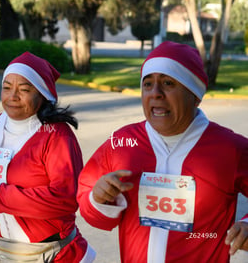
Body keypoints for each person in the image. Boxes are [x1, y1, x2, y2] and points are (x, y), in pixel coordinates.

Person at [77, 41, 248, 262]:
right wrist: (98, 198)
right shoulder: (121, 142)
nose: (155, 93)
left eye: (168, 83)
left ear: (195, 95)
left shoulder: (229, 148)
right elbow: (91, 208)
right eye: (147, 84)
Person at [0, 52, 96, 262]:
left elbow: (65, 199)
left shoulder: (56, 135)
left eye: (24, 89)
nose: (12, 96)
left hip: (49, 253)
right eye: (6, 87)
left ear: (42, 94)